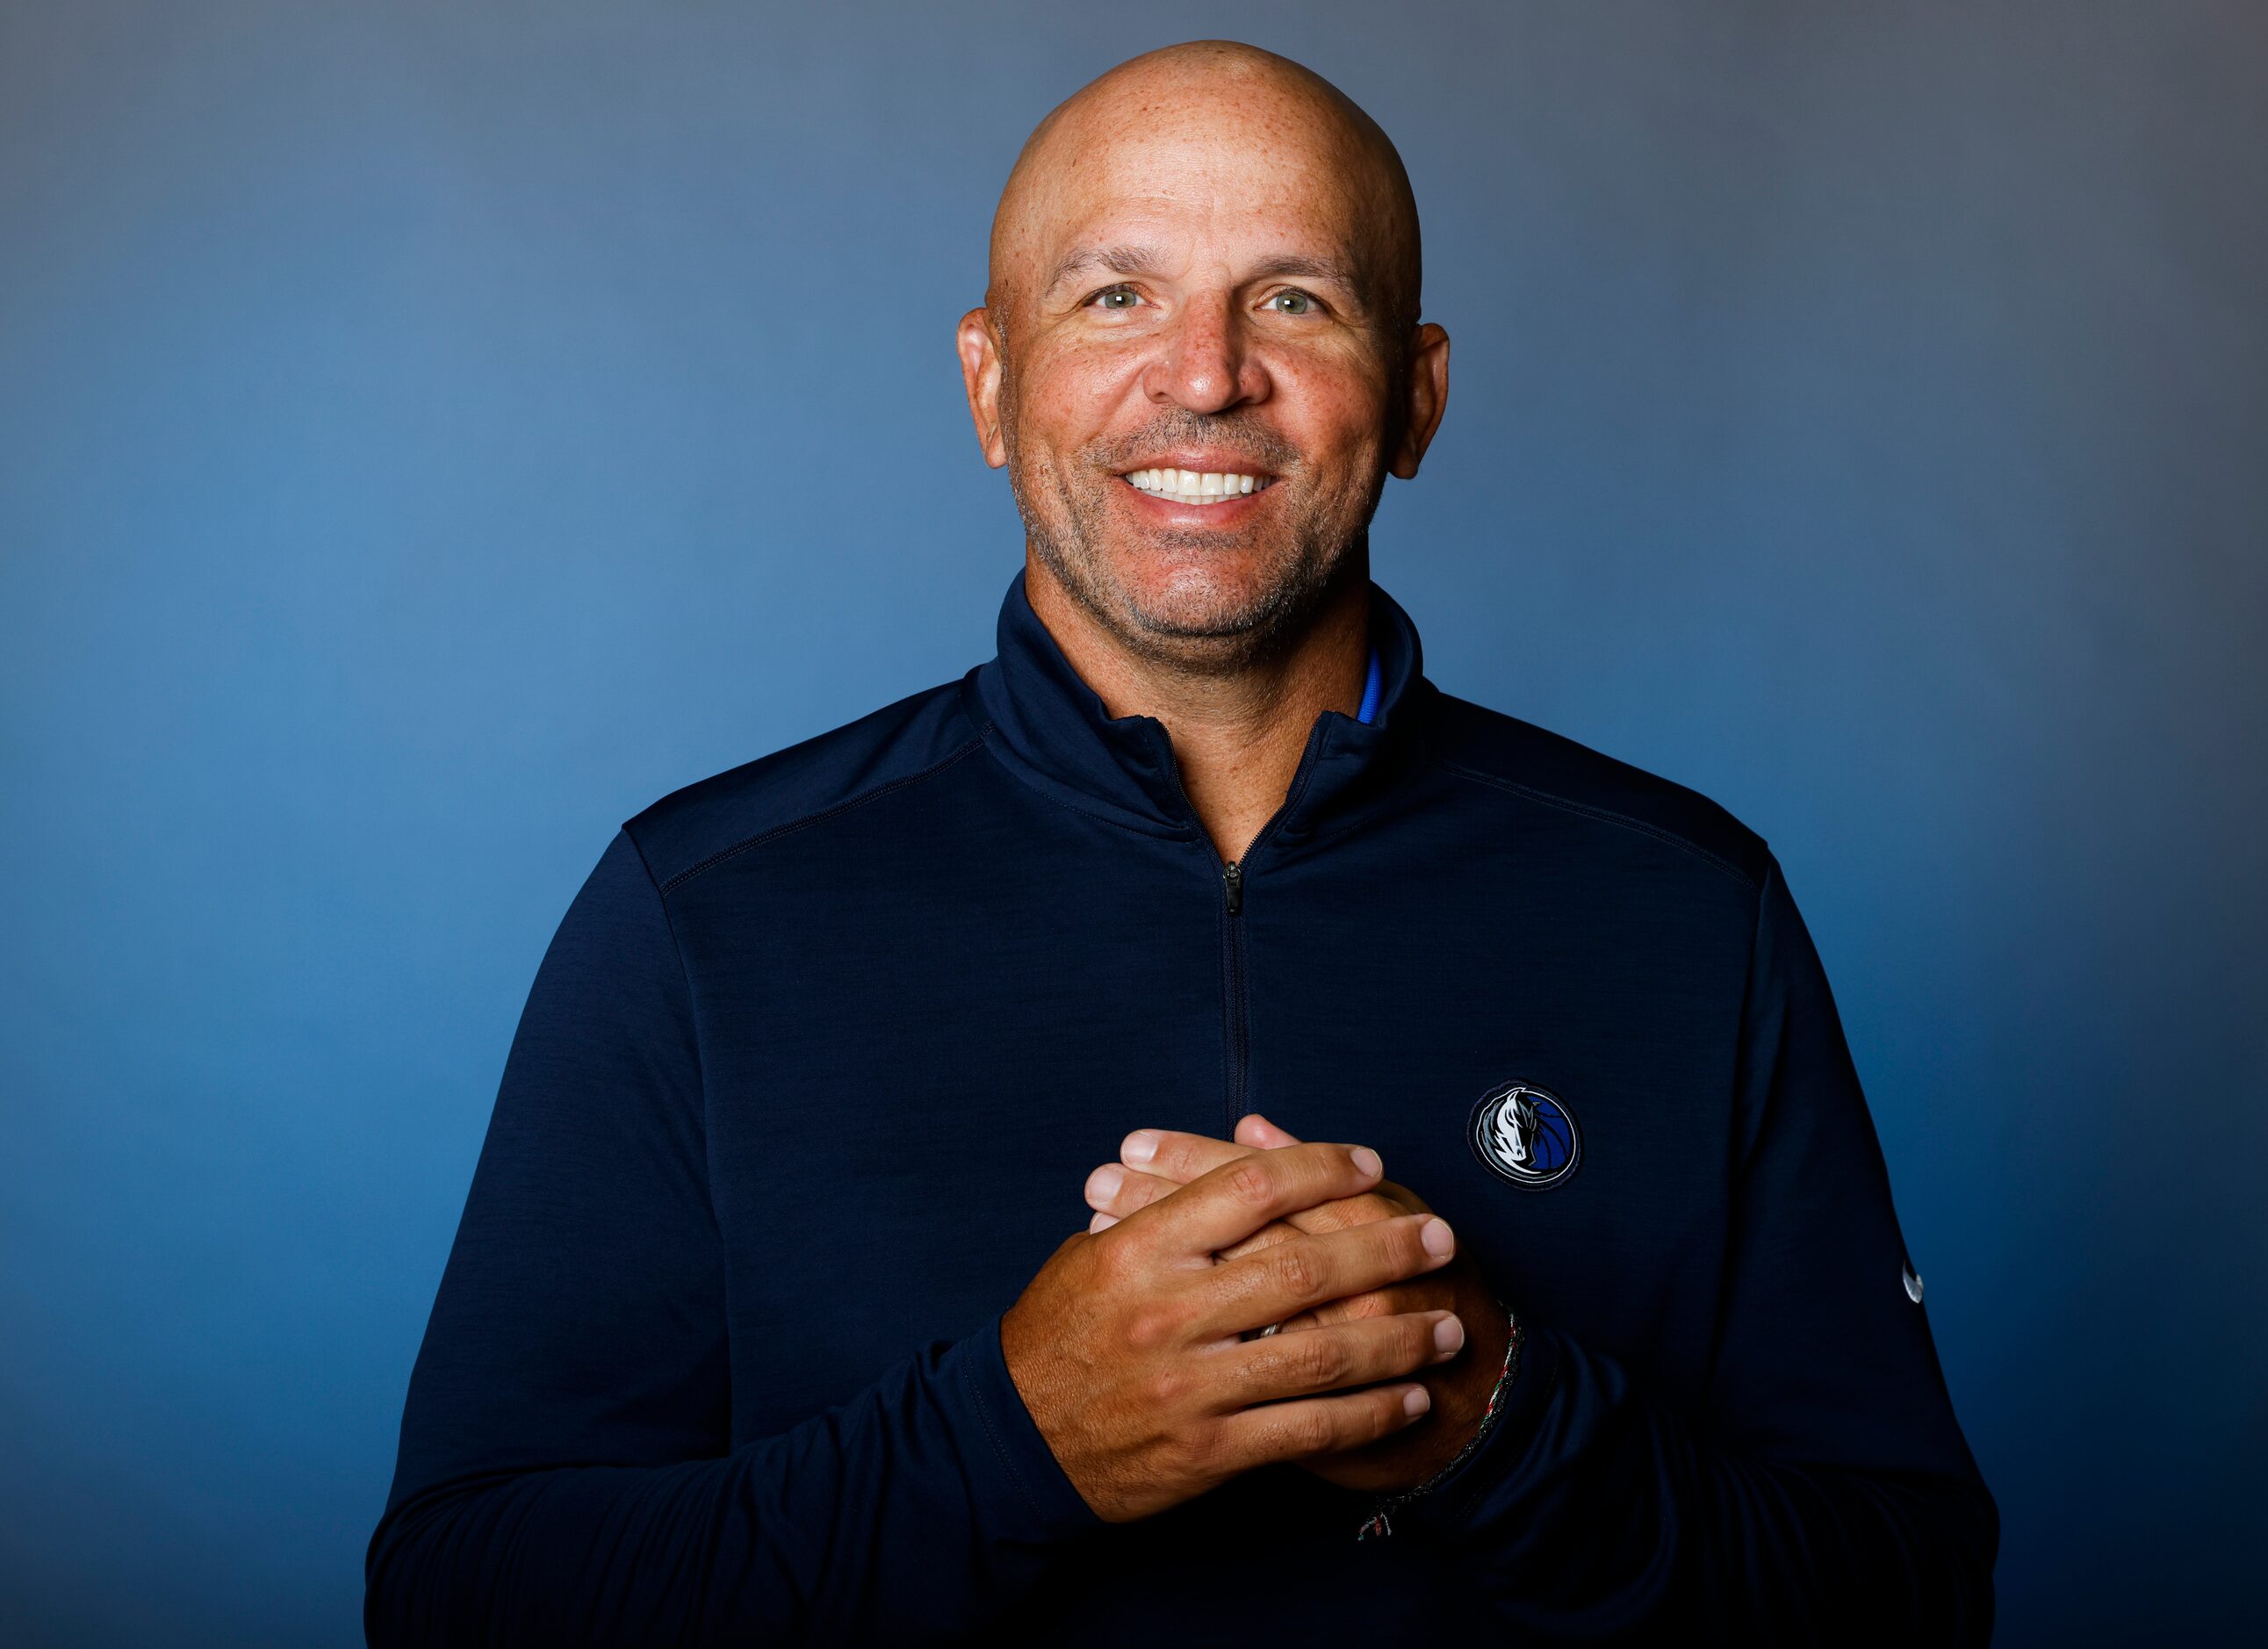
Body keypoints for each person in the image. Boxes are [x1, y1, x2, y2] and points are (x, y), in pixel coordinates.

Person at [367, 40, 1996, 1647]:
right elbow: (460, 1594)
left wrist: (1504, 1425)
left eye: (1294, 297)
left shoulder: (1688, 908)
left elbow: (1915, 1592)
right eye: (1115, 296)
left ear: (1417, 394)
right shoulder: (702, 912)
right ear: (991, 385)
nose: (1207, 374)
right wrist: (1019, 1442)